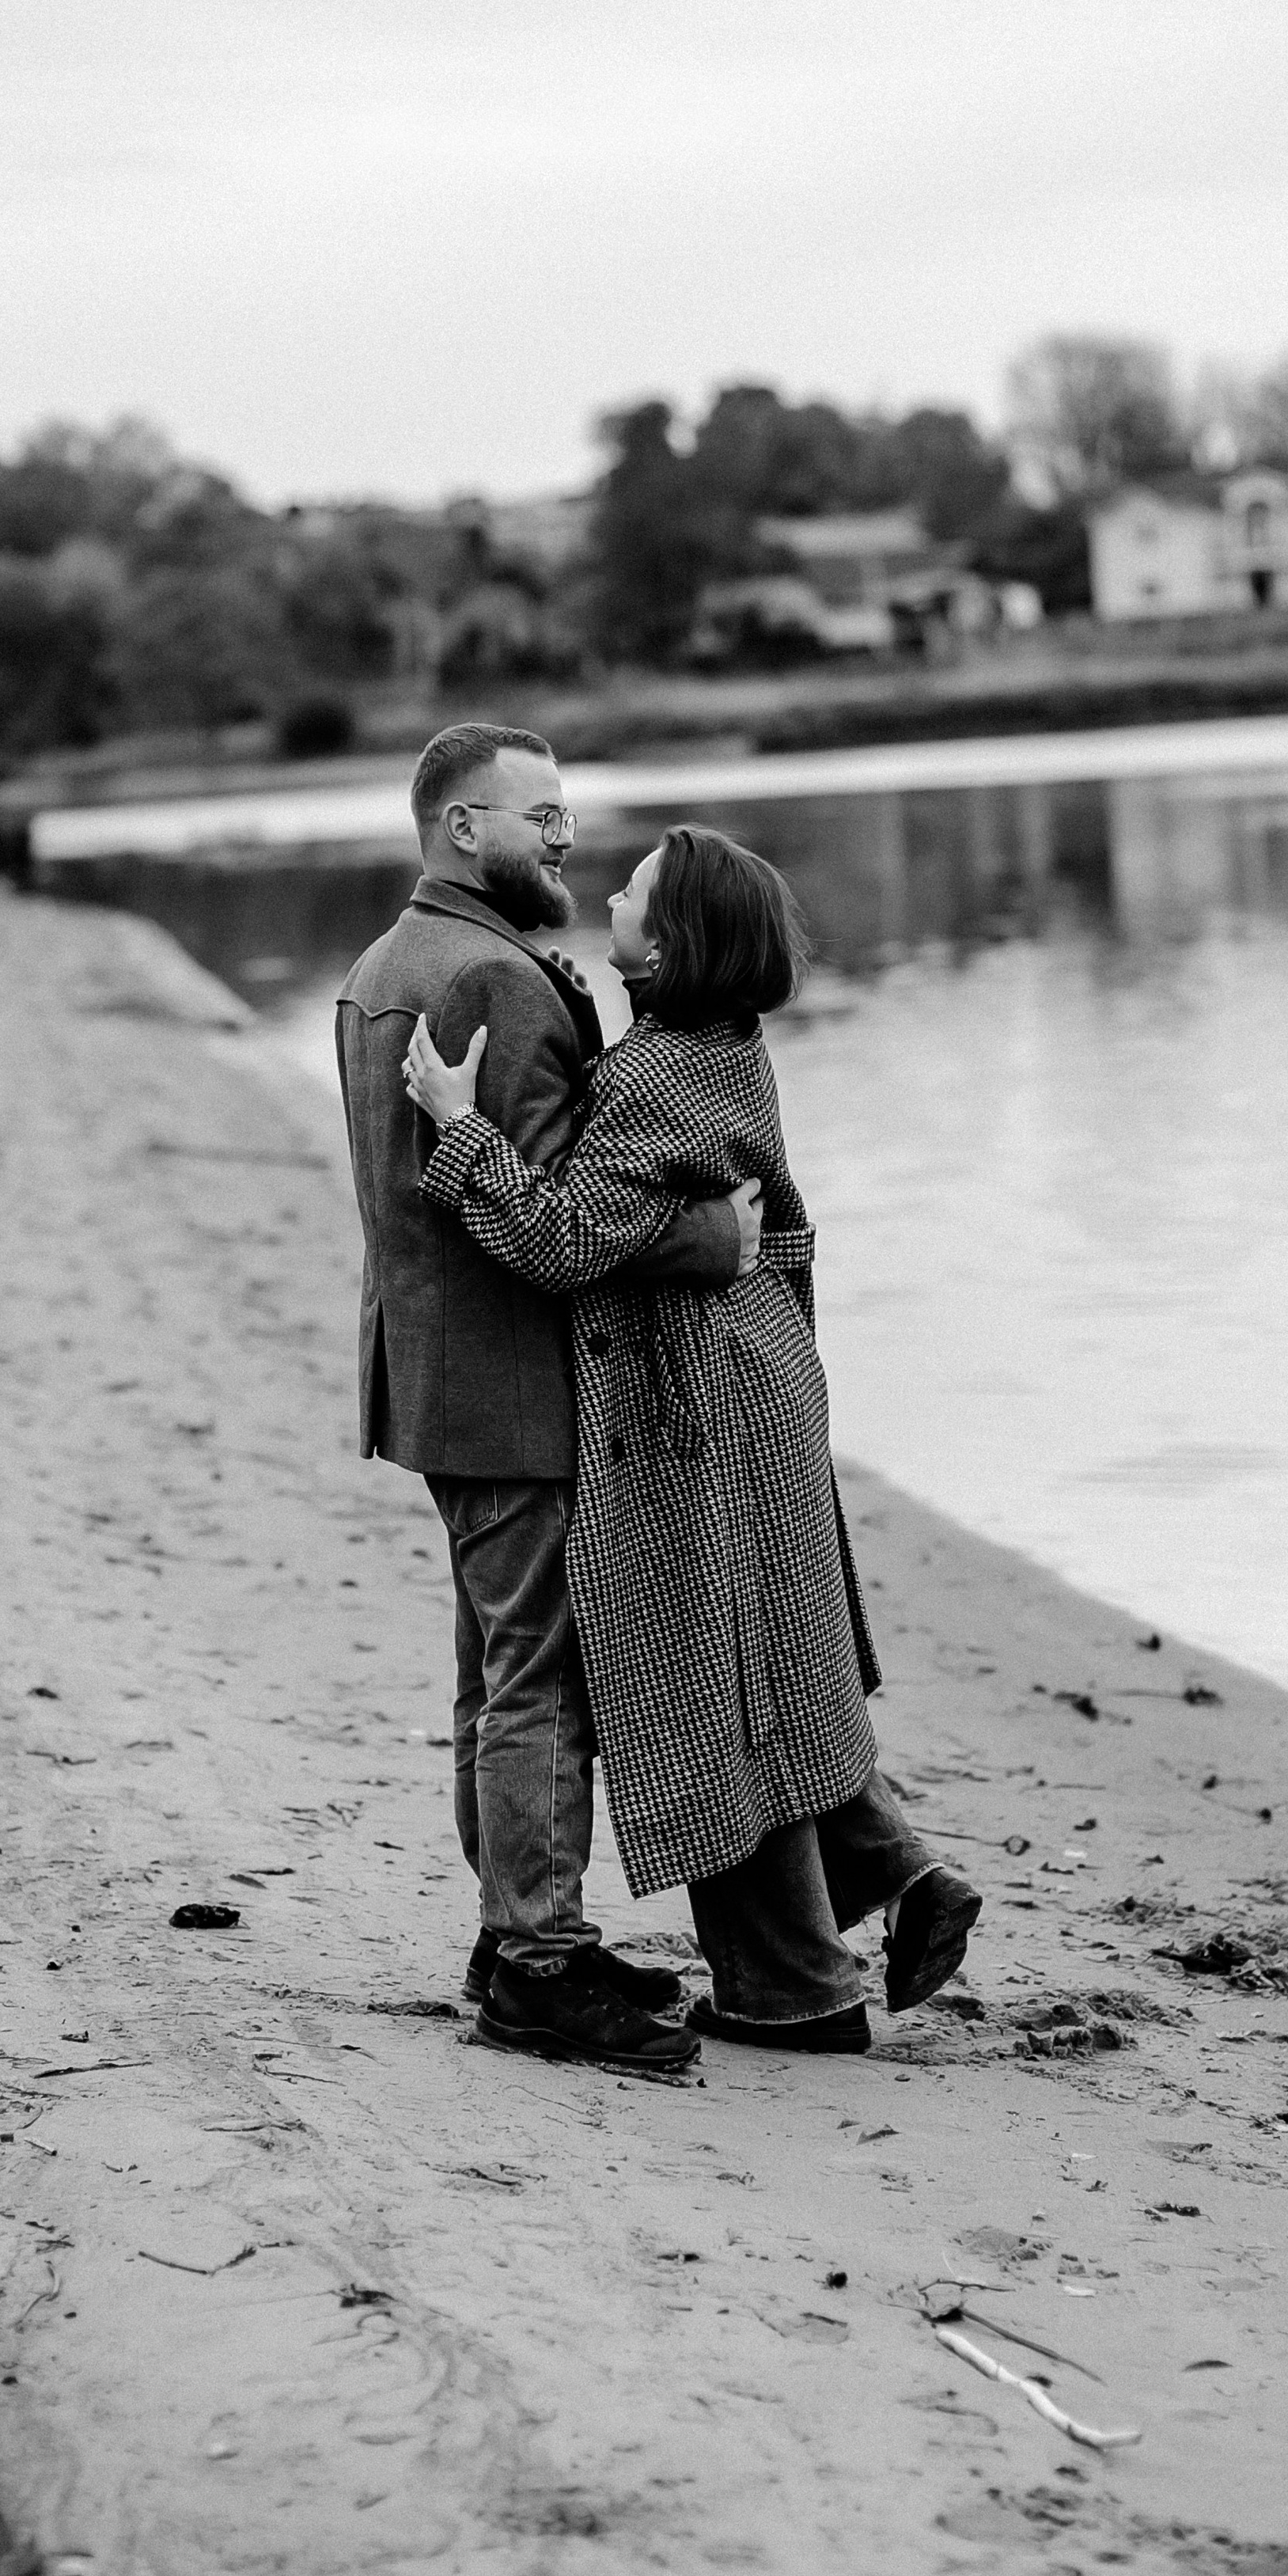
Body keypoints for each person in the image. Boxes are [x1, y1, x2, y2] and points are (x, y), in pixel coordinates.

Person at [403, 823, 982, 2051]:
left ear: (671, 942)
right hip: (754, 1380)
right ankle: (899, 1886)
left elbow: (560, 1240)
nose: (607, 890)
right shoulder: (718, 1047)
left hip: (697, 1400)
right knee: (759, 1661)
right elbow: (650, 1191)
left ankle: (798, 1990)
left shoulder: (660, 1075)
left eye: (636, 892)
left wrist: (459, 1127)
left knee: (706, 1683)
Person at [336, 724, 760, 2075]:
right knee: (540, 1682)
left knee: (490, 1673)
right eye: (544, 815)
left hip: (430, 1374)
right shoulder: (496, 983)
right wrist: (712, 1241)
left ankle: (509, 1935)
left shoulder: (381, 966)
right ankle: (537, 1960)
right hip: (516, 1378)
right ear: (467, 830)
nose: (568, 837)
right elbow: (563, 1220)